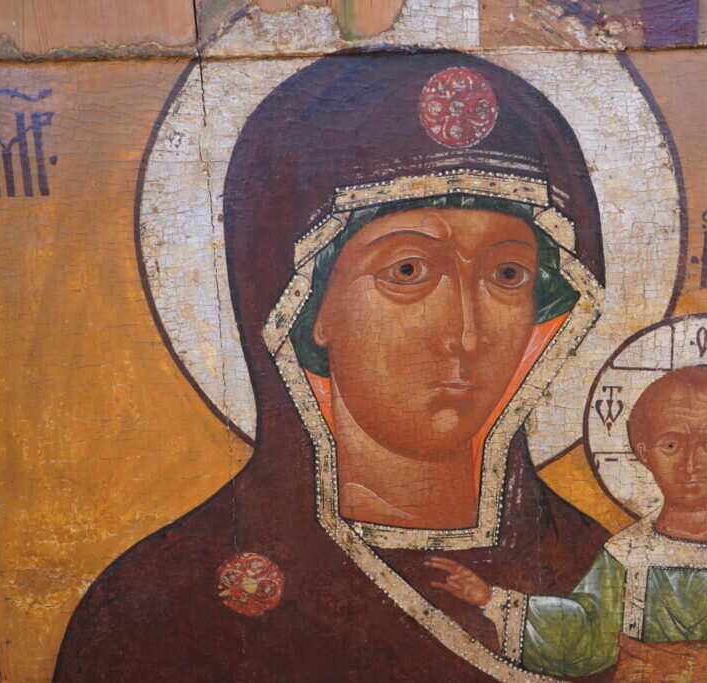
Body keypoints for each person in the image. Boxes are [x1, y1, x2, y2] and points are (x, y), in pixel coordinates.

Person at [54, 51, 620, 681]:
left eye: (507, 274)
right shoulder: (161, 604)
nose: (464, 333)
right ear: (307, 305)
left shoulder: (600, 575)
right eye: (408, 271)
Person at [429, 365, 707, 681]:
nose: (690, 464)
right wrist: (491, 599)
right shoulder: (627, 555)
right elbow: (585, 636)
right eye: (671, 444)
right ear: (644, 452)